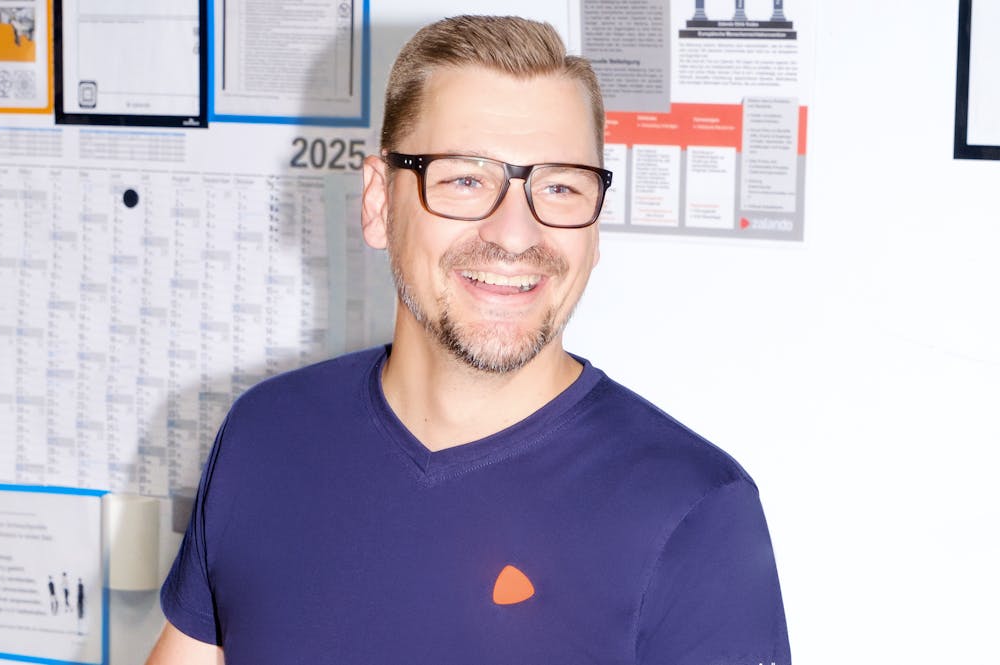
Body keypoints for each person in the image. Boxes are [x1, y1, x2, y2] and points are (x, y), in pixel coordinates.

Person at [147, 15, 790, 665]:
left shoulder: (693, 510)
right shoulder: (266, 436)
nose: (515, 233)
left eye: (560, 186)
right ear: (377, 202)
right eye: (465, 179)